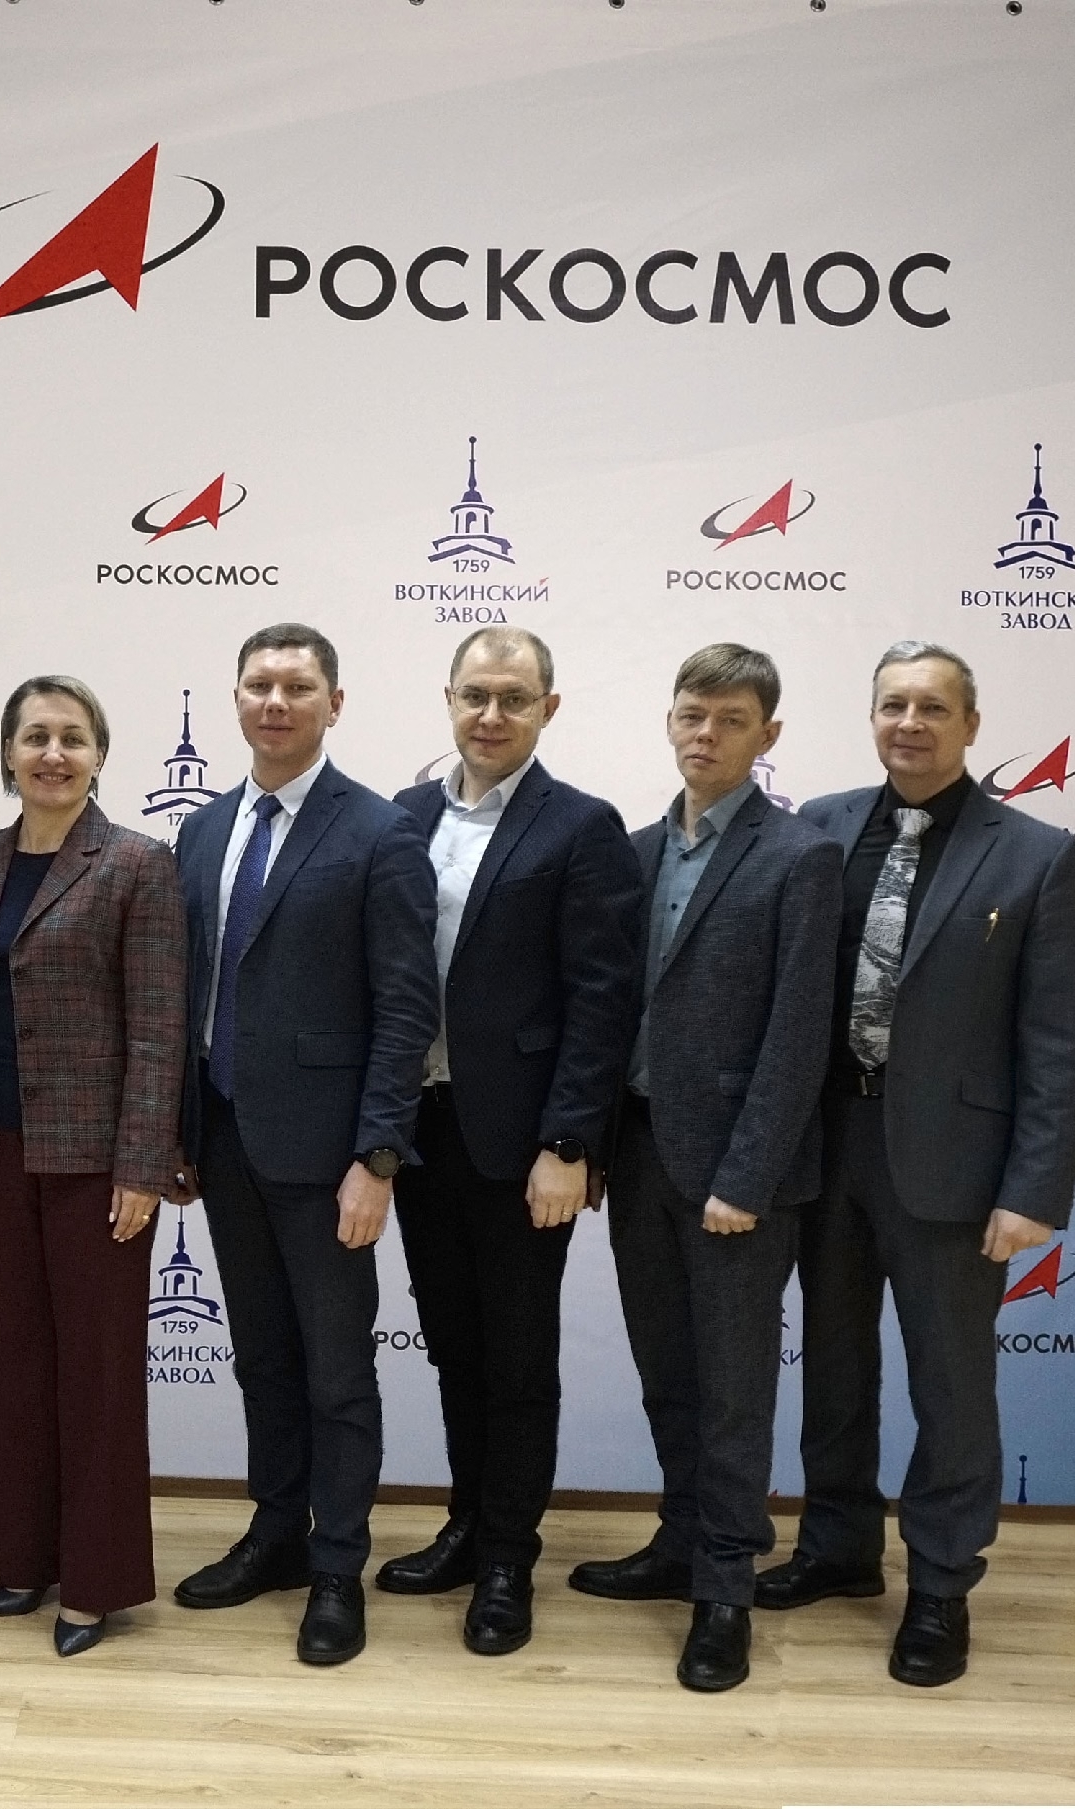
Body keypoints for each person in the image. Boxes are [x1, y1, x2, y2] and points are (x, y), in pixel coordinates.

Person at [768, 641, 1075, 1687]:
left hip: (955, 1166)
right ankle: (837, 1546)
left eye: (932, 707)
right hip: (824, 1146)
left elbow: (1058, 1040)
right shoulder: (816, 826)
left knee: (950, 1383)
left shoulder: (1036, 854)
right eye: (893, 705)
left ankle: (943, 1582)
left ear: (970, 725)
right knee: (832, 1363)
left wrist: (1033, 1188)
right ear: (871, 717)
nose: (910, 723)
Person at [566, 644, 841, 1693]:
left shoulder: (800, 856)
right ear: (669, 720)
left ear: (767, 735)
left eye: (730, 719)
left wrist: (749, 1176)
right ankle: (681, 1540)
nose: (706, 734)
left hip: (736, 1174)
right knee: (667, 1373)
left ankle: (726, 1586)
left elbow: (797, 1037)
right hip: (639, 1154)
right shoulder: (633, 852)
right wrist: (593, 1144)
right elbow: (607, 1011)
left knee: (732, 1389)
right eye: (692, 714)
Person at [164, 622, 436, 1667]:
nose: (275, 702)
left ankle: (336, 1566)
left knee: (336, 1371)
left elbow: (404, 1009)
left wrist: (378, 1156)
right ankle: (276, 1533)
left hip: (330, 1159)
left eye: (297, 686)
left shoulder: (379, 831)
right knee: (264, 1360)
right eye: (259, 684)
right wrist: (179, 1128)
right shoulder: (201, 831)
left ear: (334, 703)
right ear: (235, 698)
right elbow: (190, 992)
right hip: (224, 1137)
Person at [379, 628, 640, 1656]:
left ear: (547, 709)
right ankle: (465, 1524)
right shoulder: (401, 817)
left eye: (514, 699)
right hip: (420, 1130)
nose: (492, 715)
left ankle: (506, 1560)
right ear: (447, 698)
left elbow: (601, 999)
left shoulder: (581, 826)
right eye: (475, 695)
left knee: (519, 1359)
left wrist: (570, 1141)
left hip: (525, 1142)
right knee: (454, 1346)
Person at [0, 676, 186, 1658]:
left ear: (98, 756)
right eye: (34, 736)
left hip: (96, 1162)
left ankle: (95, 1581)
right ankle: (24, 1560)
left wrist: (142, 1162)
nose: (52, 753)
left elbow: (158, 1028)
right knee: (9, 1366)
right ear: (7, 753)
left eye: (72, 738)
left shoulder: (138, 864)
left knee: (97, 1374)